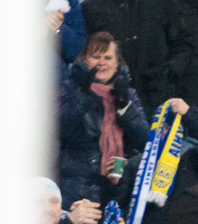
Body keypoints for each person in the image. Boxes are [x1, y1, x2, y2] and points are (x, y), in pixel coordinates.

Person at [57, 34, 152, 207]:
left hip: (116, 188)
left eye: (108, 57)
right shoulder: (69, 88)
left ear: (117, 64)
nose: (102, 62)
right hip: (76, 188)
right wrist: (83, 96)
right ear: (84, 60)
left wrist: (124, 107)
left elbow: (145, 140)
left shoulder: (128, 94)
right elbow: (59, 131)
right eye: (96, 57)